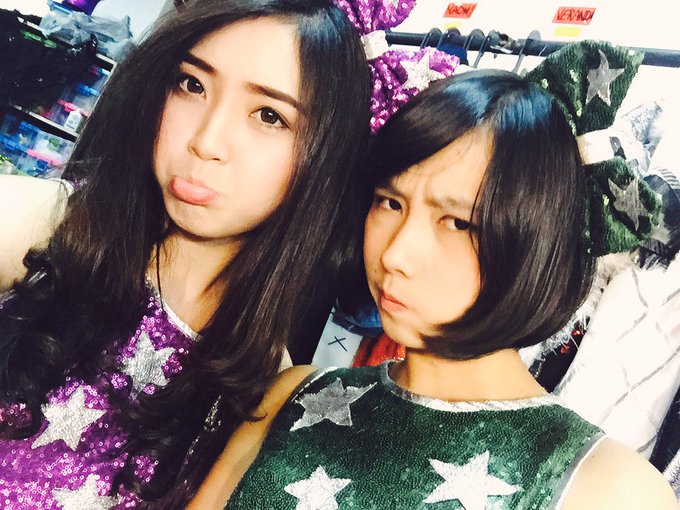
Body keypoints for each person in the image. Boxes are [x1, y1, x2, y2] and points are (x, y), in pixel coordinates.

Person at [189, 69, 677, 509]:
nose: (395, 255)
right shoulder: (292, 394)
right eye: (390, 202)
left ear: (538, 244)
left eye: (459, 223)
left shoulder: (608, 489)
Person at [0, 0, 370, 507]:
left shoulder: (267, 385)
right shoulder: (46, 226)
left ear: (324, 158)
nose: (206, 140)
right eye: (192, 85)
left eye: (269, 115)